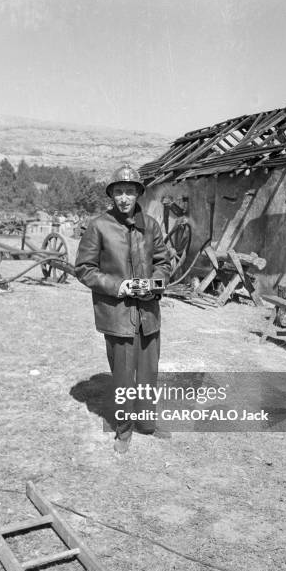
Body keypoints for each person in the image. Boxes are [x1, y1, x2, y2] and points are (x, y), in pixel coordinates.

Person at [75, 163, 171, 453]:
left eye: (130, 191)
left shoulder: (151, 225)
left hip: (148, 314)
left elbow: (163, 263)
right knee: (123, 377)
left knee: (148, 373)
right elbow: (84, 269)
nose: (125, 198)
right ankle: (124, 431)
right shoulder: (99, 226)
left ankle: (146, 423)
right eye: (119, 192)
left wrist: (155, 283)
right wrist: (120, 286)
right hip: (117, 316)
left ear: (139, 193)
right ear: (112, 195)